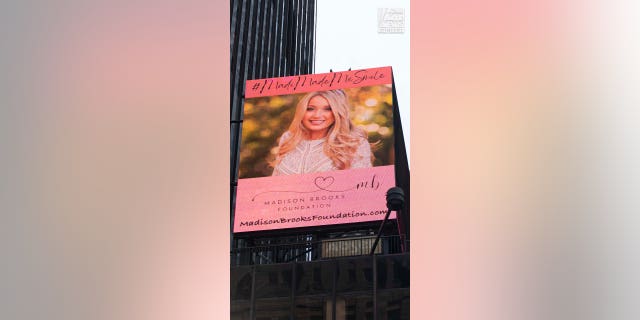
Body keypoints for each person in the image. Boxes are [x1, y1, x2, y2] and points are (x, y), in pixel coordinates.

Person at [271, 89, 373, 176]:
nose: (317, 115)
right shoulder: (289, 138)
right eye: (310, 109)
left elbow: (363, 190)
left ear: (337, 113)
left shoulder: (355, 143)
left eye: (327, 109)